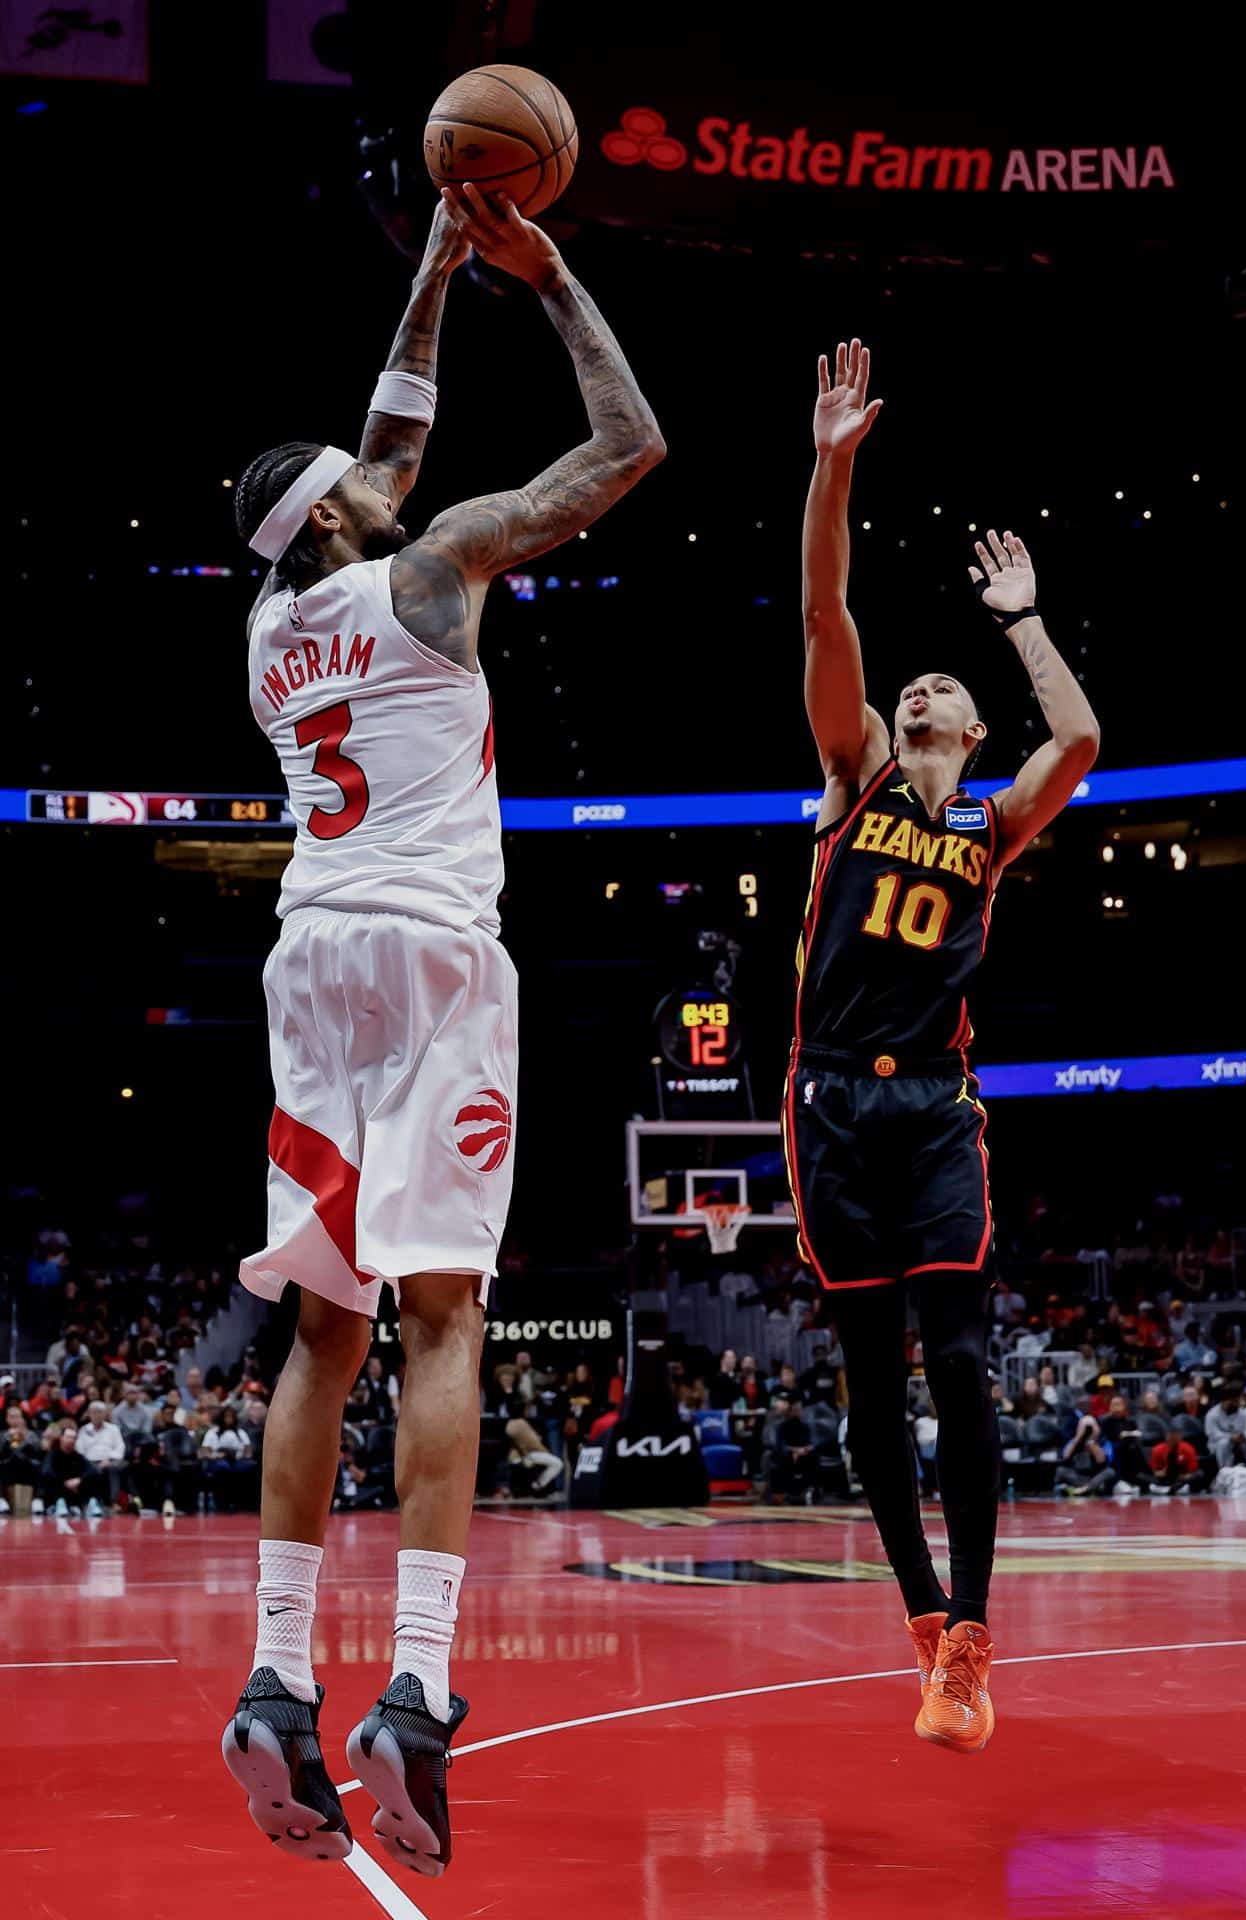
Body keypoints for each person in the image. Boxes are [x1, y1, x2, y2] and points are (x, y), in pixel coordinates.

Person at [221, 185, 663, 1874]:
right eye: (362, 478)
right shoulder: (432, 569)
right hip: (428, 957)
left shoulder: (271, 631)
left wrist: (428, 268)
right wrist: (545, 280)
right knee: (446, 1312)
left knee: (322, 1332)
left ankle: (276, 1677)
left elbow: (384, 444)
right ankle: (414, 1689)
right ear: (346, 513)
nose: (384, 469)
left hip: (310, 960)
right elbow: (626, 448)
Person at [784, 338, 1100, 1756]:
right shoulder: (849, 772)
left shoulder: (992, 819)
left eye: (937, 688)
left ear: (969, 731)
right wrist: (830, 469)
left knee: (960, 1363)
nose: (915, 690)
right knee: (870, 1376)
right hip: (828, 1104)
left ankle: (971, 1636)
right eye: (907, 684)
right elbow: (822, 609)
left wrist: (1019, 622)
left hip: (935, 1111)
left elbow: (1077, 739)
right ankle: (919, 1618)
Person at [76, 1400, 128, 1509]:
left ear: (105, 1414)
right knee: (90, 1470)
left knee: (113, 1468)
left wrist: (109, 1459)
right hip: (89, 1462)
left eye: (99, 1412)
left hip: (110, 1460)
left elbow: (120, 1448)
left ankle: (113, 1502)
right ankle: (89, 1502)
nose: (96, 1415)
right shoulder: (84, 1430)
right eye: (93, 1412)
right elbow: (79, 1450)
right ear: (89, 1414)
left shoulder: (113, 1429)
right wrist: (88, 1463)